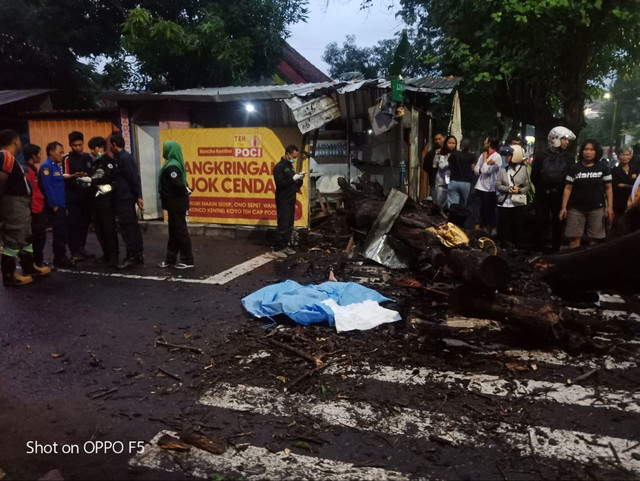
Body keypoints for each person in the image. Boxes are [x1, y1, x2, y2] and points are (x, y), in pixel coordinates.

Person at [0, 129, 51, 286]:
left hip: (21, 204)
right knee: (13, 240)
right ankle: (9, 275)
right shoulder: (6, 157)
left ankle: (29, 267)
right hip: (13, 205)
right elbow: (1, 182)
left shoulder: (11, 158)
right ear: (15, 141)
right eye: (19, 141)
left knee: (26, 236)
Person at [559, 140, 613, 249]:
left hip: (597, 208)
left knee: (595, 239)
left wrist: (610, 207)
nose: (588, 152)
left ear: (596, 152)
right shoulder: (575, 168)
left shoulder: (603, 168)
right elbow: (568, 188)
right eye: (586, 149)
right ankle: (574, 262)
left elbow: (608, 188)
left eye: (591, 150)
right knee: (574, 237)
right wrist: (564, 207)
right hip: (575, 208)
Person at [531, 126, 576, 252]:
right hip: (543, 196)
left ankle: (556, 250)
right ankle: (537, 250)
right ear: (556, 139)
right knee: (540, 223)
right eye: (564, 139)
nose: (567, 142)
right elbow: (534, 176)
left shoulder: (569, 157)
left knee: (558, 225)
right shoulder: (541, 156)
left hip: (560, 197)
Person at [109, 133, 144, 269]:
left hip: (125, 199)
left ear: (113, 144)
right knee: (129, 227)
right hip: (122, 198)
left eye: (110, 145)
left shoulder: (124, 158)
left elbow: (134, 178)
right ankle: (137, 255)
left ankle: (133, 256)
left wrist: (138, 196)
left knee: (129, 228)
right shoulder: (118, 158)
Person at [157, 140, 194, 269]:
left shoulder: (172, 166)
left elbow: (177, 183)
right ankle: (170, 259)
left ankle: (188, 260)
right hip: (174, 204)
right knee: (174, 232)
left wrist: (185, 190)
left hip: (176, 204)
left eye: (165, 148)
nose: (164, 150)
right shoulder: (172, 164)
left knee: (180, 232)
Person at [40, 141, 75, 269]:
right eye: (60, 152)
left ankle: (61, 256)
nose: (62, 154)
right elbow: (47, 187)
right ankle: (59, 258)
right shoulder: (46, 167)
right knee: (59, 233)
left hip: (61, 204)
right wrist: (53, 204)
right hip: (55, 206)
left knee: (62, 232)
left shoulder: (56, 166)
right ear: (51, 152)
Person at [86, 137, 119, 268]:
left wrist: (92, 180)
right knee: (99, 229)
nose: (92, 152)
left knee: (109, 229)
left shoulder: (109, 162)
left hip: (106, 201)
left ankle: (114, 256)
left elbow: (108, 177)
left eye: (93, 149)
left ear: (100, 148)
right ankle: (106, 254)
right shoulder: (95, 163)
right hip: (96, 201)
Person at [63, 131, 95, 261]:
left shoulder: (88, 157)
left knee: (84, 224)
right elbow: (64, 176)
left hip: (86, 197)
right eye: (75, 145)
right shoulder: (66, 159)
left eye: (80, 144)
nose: (78, 147)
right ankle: (74, 251)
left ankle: (82, 248)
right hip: (73, 198)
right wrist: (74, 177)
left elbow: (93, 173)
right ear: (70, 145)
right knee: (74, 225)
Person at [496, 145, 531, 248]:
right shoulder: (503, 170)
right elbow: (498, 185)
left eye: (508, 156)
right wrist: (509, 189)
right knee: (503, 227)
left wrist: (519, 190)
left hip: (517, 203)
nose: (506, 158)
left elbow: (527, 185)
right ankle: (503, 246)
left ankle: (516, 247)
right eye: (506, 156)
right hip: (504, 203)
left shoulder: (524, 170)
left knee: (516, 227)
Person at [273, 145, 304, 257]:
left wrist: (300, 179)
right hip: (283, 199)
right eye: (293, 157)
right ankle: (277, 249)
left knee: (289, 224)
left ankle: (285, 246)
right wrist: (293, 179)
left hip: (291, 198)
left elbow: (294, 183)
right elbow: (280, 184)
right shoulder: (279, 167)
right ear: (287, 154)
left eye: (295, 157)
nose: (294, 159)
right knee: (283, 224)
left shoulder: (290, 166)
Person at [23, 143, 47, 267]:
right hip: (33, 211)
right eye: (38, 153)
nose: (40, 156)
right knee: (36, 238)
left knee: (39, 237)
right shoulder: (27, 171)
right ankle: (35, 263)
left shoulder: (33, 169)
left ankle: (37, 261)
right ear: (33, 156)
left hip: (38, 208)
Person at [473, 137, 501, 233]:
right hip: (479, 186)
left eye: (485, 141)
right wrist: (485, 164)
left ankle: (488, 231)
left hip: (490, 189)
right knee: (478, 210)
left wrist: (485, 161)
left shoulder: (497, 157)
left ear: (489, 144)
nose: (483, 143)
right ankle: (477, 230)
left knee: (488, 211)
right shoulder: (482, 155)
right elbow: (477, 170)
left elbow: (487, 171)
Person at [447, 138, 476, 209]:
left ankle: (452, 219)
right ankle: (461, 219)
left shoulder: (454, 154)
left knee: (453, 204)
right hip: (466, 183)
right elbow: (473, 169)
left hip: (453, 181)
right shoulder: (472, 156)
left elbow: (449, 166)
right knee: (464, 205)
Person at [433, 135, 456, 209]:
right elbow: (436, 166)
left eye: (454, 143)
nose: (452, 145)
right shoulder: (440, 155)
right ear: (446, 143)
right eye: (450, 143)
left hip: (453, 181)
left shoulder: (457, 154)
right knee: (440, 200)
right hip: (441, 180)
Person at [422, 132, 444, 200]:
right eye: (436, 139)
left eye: (439, 139)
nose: (438, 141)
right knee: (435, 200)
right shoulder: (430, 153)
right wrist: (432, 171)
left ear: (443, 139)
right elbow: (425, 166)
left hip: (445, 182)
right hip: (434, 181)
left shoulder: (448, 152)